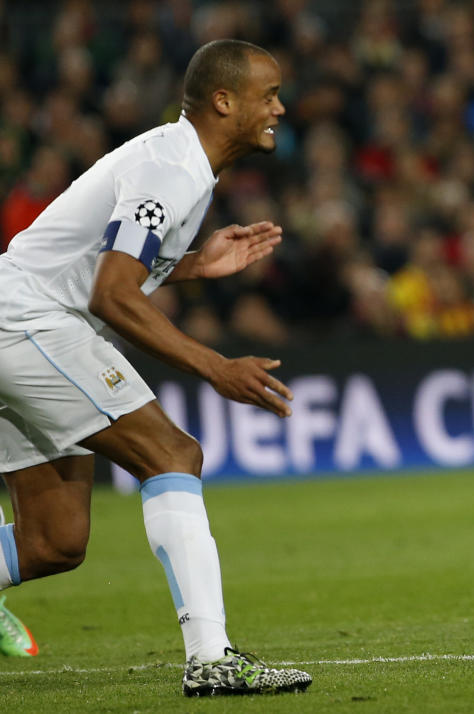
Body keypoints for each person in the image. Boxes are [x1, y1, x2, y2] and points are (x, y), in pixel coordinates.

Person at [0, 39, 312, 695]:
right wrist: (214, 366)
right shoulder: (173, 170)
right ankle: (212, 659)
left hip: (21, 317)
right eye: (269, 94)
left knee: (54, 541)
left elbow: (106, 262)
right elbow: (110, 292)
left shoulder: (177, 161)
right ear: (224, 101)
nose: (279, 108)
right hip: (27, 323)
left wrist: (192, 263)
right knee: (173, 454)